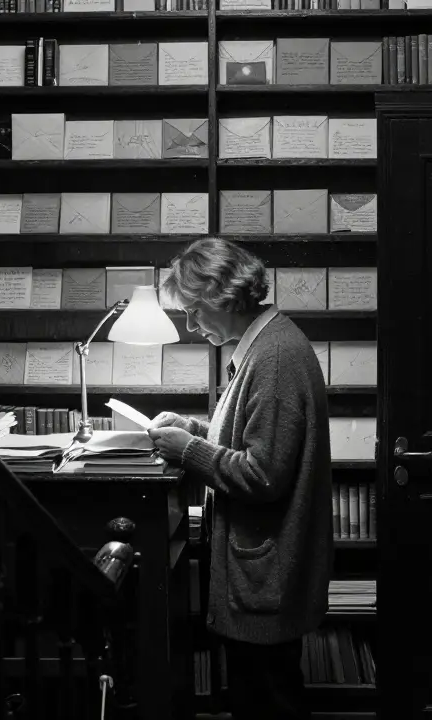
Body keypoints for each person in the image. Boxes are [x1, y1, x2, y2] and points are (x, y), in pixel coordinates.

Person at [146, 237, 332, 720]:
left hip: (265, 571)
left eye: (192, 311)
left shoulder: (271, 358)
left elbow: (264, 474)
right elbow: (258, 438)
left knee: (267, 701)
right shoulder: (267, 344)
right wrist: (197, 430)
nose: (190, 324)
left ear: (218, 297)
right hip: (263, 569)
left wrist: (189, 451)